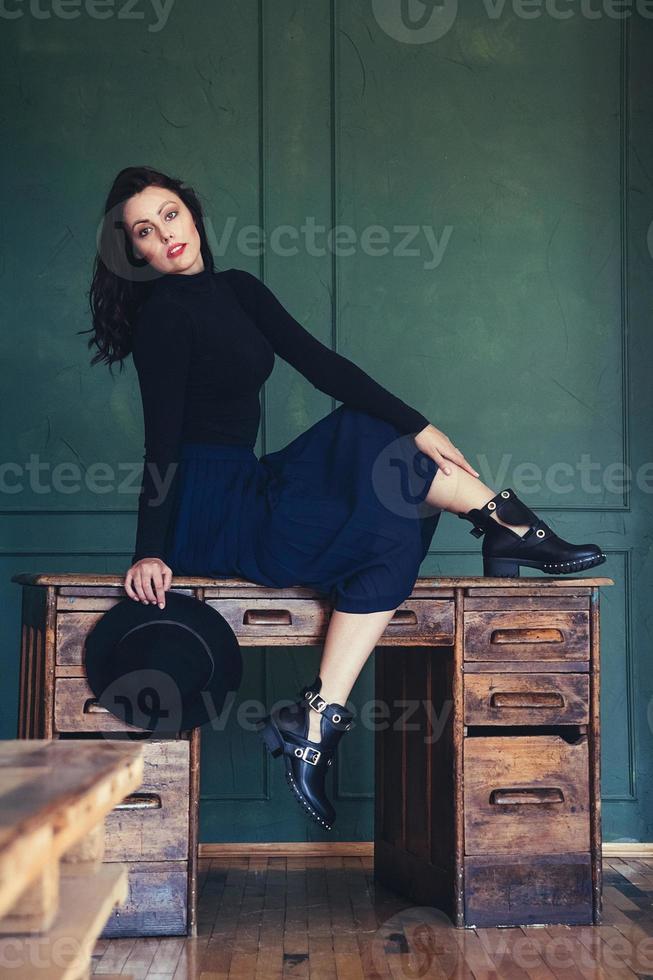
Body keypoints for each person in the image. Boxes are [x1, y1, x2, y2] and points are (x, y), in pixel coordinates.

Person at [85, 165, 606, 830]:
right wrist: (147, 552)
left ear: (192, 214)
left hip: (250, 483)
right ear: (138, 252)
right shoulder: (162, 318)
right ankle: (510, 527)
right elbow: (161, 444)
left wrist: (420, 425)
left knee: (391, 500)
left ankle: (317, 718)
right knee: (373, 454)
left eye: (170, 215)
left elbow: (321, 365)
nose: (165, 235)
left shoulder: (239, 290)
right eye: (145, 232)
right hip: (209, 507)